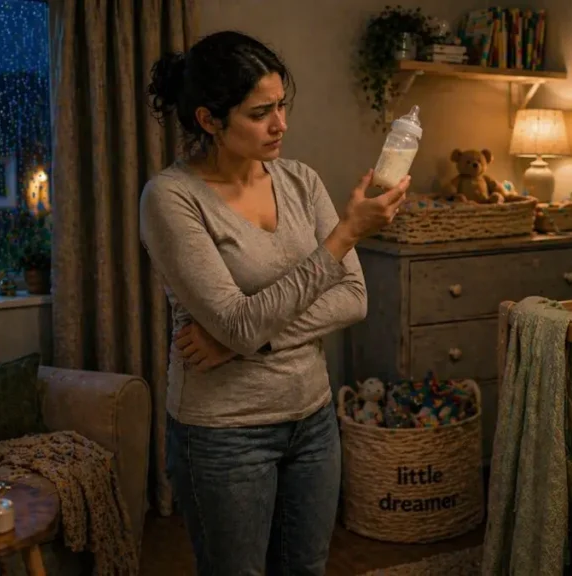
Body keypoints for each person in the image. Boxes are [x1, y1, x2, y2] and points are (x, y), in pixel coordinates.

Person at [138, 30, 409, 576]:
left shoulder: (301, 181)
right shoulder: (171, 199)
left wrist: (246, 340)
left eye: (282, 105)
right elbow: (238, 320)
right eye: (261, 112)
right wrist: (345, 235)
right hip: (223, 434)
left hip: (311, 419)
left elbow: (353, 298)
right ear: (209, 120)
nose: (281, 124)